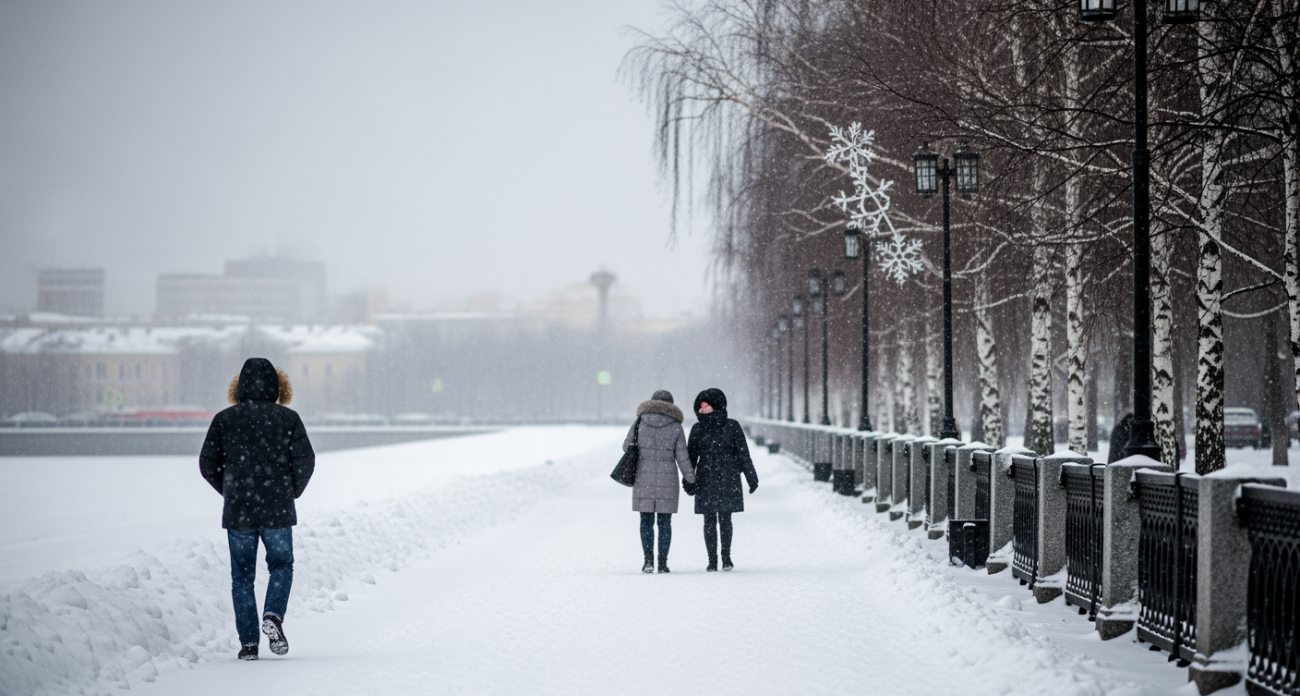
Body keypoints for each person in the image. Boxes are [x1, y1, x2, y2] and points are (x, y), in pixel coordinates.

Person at [200, 358, 315, 661]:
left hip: (239, 512)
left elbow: (207, 463)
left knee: (242, 577)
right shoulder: (288, 419)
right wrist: (290, 492)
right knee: (281, 566)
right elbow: (306, 460)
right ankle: (273, 615)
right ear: (278, 386)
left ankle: (249, 644)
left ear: (239, 387)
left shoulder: (224, 419)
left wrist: (231, 492)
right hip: (277, 510)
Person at [686, 388, 758, 572]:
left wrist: (751, 477)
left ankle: (726, 557)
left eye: (706, 406)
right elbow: (691, 457)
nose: (703, 409)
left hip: (728, 477)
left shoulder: (732, 426)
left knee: (725, 519)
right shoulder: (697, 428)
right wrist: (688, 479)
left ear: (717, 406)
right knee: (709, 520)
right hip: (706, 477)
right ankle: (712, 560)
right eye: (700, 407)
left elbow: (743, 454)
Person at [624, 390, 695, 573]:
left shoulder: (640, 421)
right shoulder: (676, 426)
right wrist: (691, 478)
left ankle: (648, 561)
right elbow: (682, 457)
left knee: (646, 521)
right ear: (671, 404)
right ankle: (662, 563)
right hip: (668, 478)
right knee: (665, 523)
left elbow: (626, 446)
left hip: (643, 476)